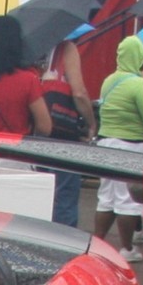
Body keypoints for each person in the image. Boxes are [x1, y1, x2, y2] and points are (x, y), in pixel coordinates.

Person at [93, 34, 143, 256]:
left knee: (106, 198)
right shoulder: (138, 85)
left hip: (106, 141)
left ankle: (96, 241)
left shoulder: (109, 80)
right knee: (126, 200)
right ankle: (127, 248)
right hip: (130, 145)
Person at [42, 35, 91, 226]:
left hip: (35, 129)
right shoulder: (66, 48)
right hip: (62, 131)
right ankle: (63, 250)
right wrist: (90, 122)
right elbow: (79, 93)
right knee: (64, 193)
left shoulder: (31, 49)